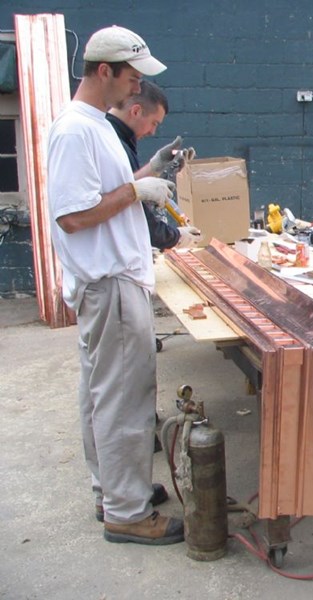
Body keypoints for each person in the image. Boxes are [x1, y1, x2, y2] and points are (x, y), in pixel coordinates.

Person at [47, 25, 184, 545]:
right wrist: (136, 191)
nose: (137, 87)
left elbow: (108, 190)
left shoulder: (97, 124)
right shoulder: (74, 131)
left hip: (108, 281)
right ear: (104, 71)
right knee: (125, 399)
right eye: (132, 77)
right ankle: (127, 513)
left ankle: (113, 492)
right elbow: (73, 217)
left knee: (101, 395)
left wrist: (149, 172)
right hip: (110, 282)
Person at [106, 80, 201, 250]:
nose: (152, 131)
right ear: (136, 111)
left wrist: (156, 165)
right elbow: (125, 202)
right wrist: (175, 237)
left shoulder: (113, 136)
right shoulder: (112, 143)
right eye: (154, 123)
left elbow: (121, 188)